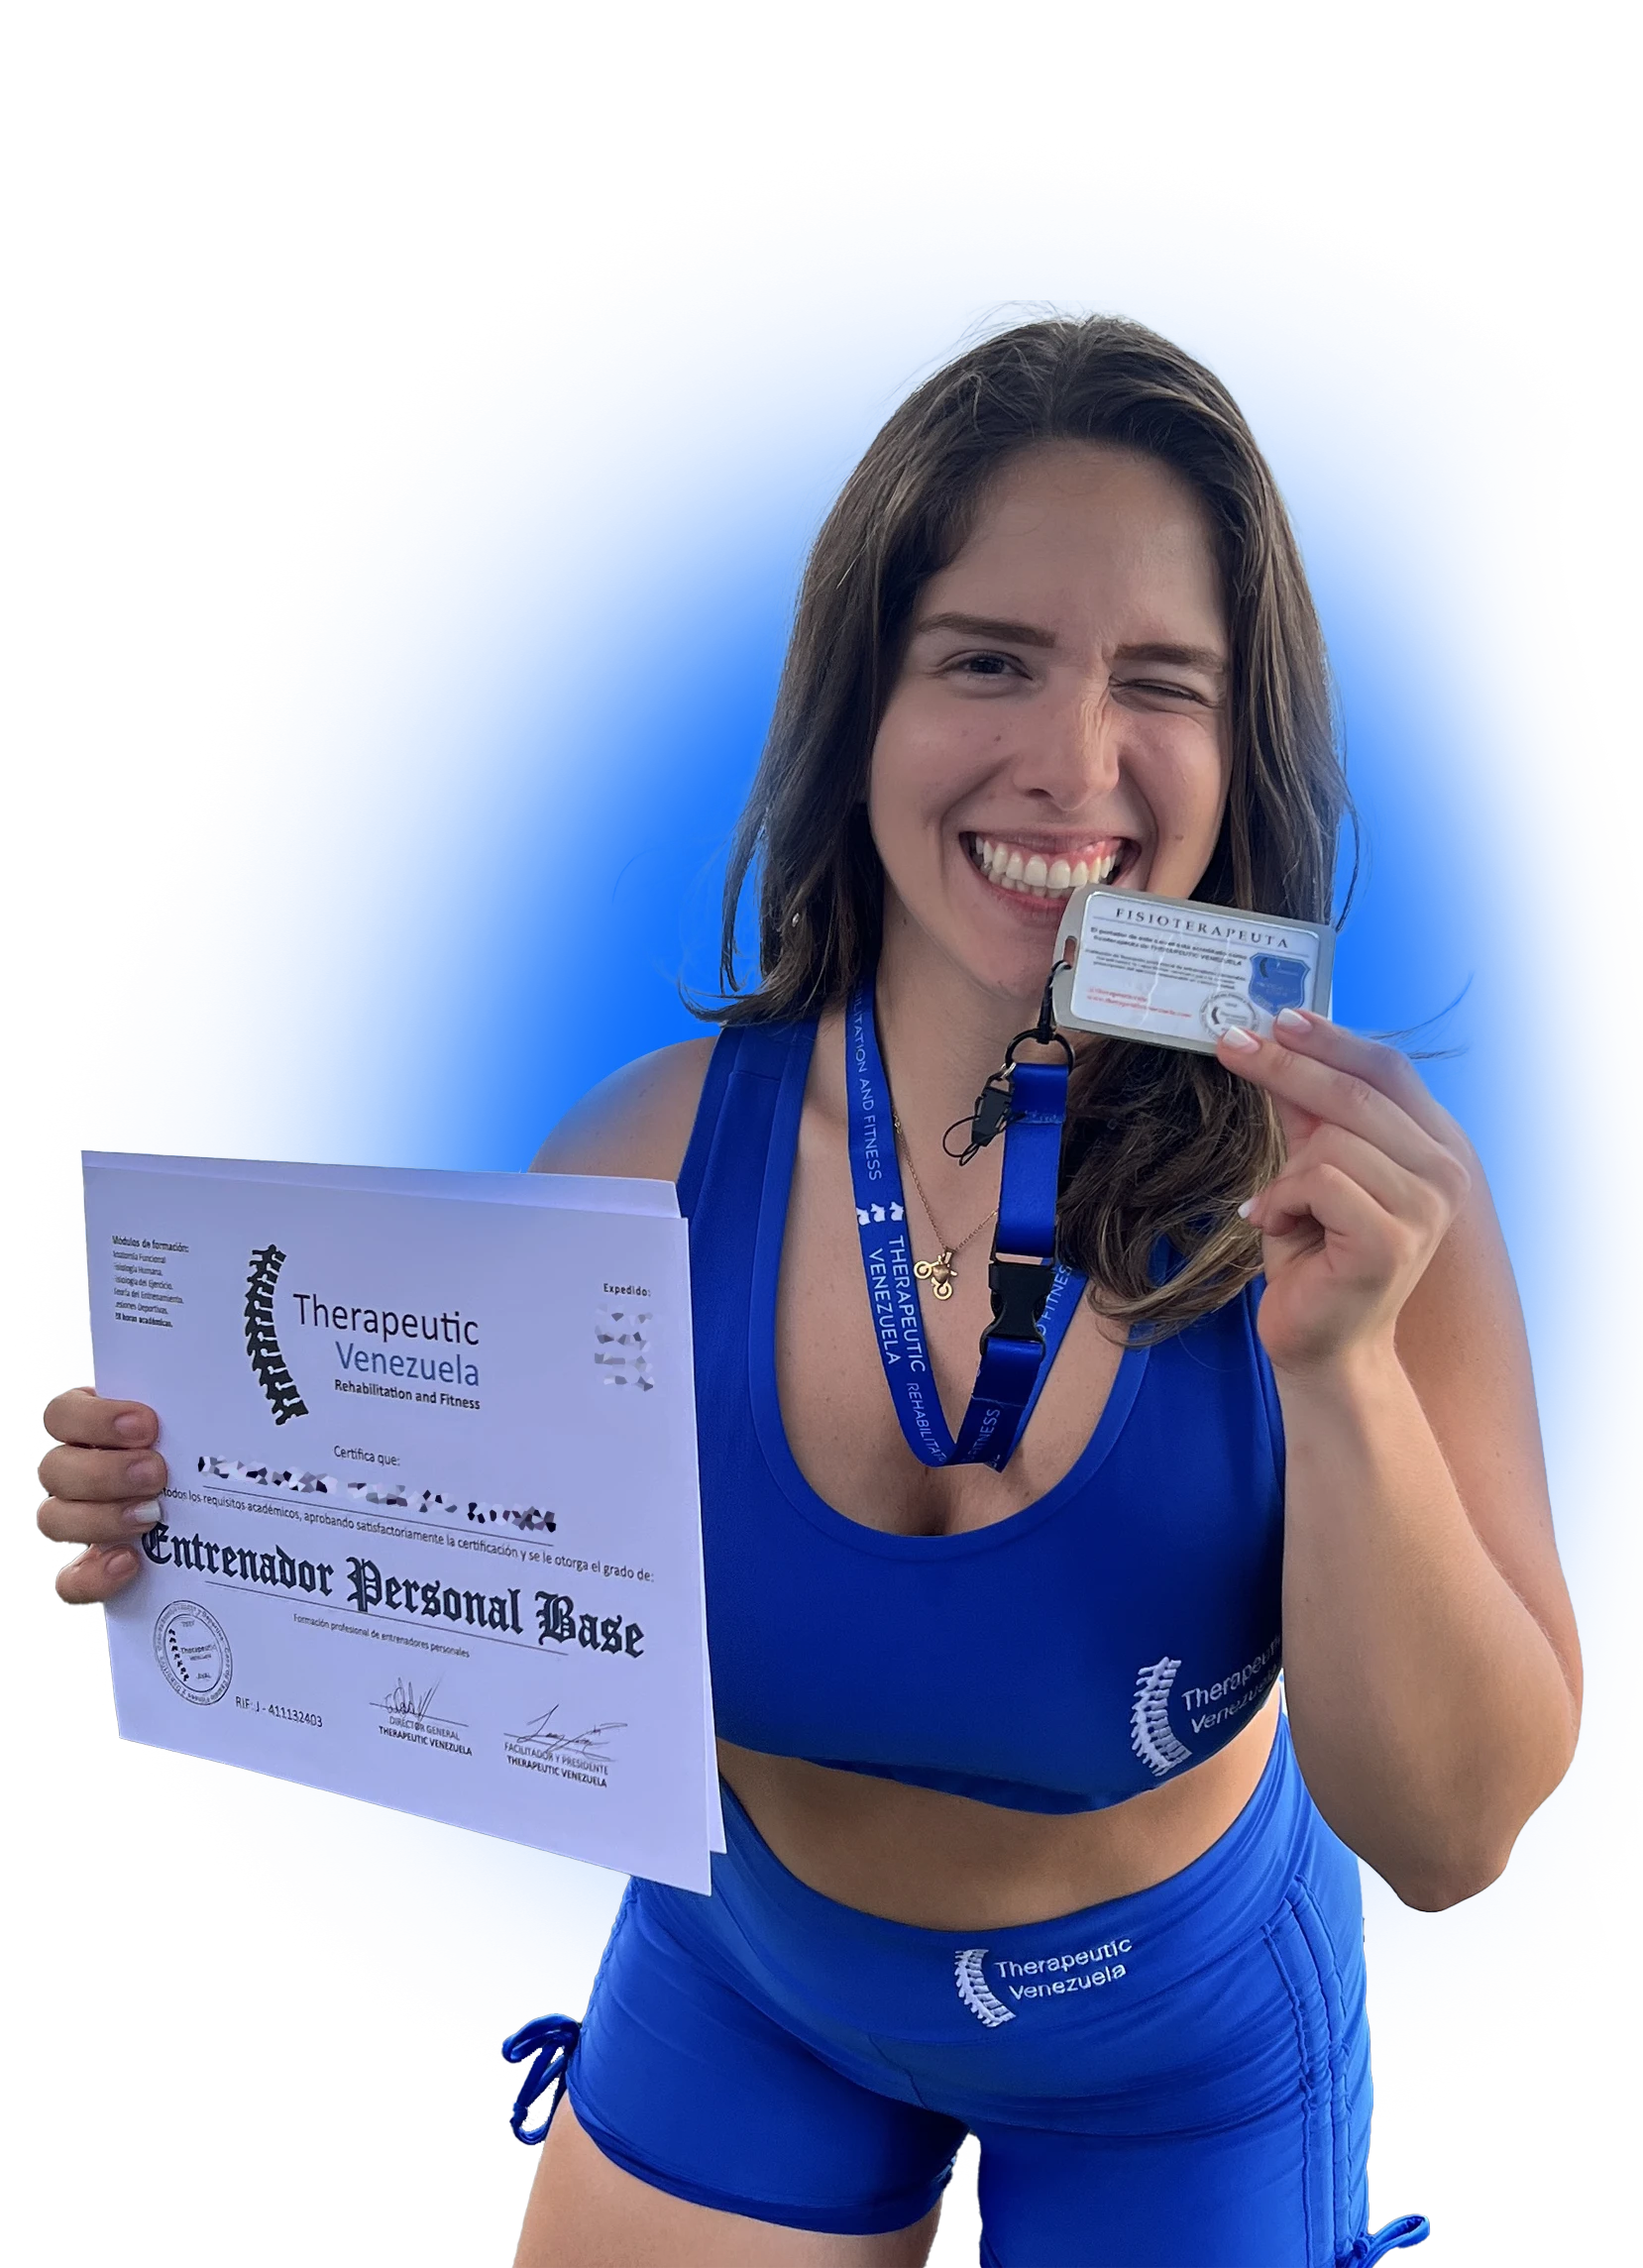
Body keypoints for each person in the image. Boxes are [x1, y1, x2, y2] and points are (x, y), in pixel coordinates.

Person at [39, 313, 1582, 2268]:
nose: (1071, 763)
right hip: (751, 1987)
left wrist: (1341, 1372)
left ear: (1237, 743)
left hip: (1176, 2047)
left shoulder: (1360, 1204)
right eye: (987, 660)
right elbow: (443, 1582)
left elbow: (1450, 1838)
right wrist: (189, 1516)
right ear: (862, 708)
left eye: (1158, 681)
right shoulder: (633, 1173)